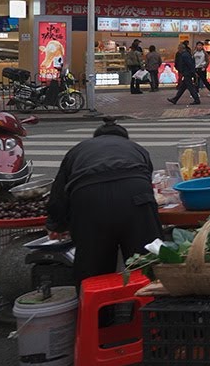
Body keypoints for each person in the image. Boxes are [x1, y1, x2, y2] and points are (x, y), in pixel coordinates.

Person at [46, 117, 162, 284]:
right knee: (147, 263)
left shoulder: (78, 149)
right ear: (124, 138)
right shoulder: (136, 148)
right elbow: (146, 183)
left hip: (89, 200)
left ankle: (98, 307)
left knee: (92, 270)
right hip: (135, 197)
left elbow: (58, 193)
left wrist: (56, 225)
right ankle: (148, 307)